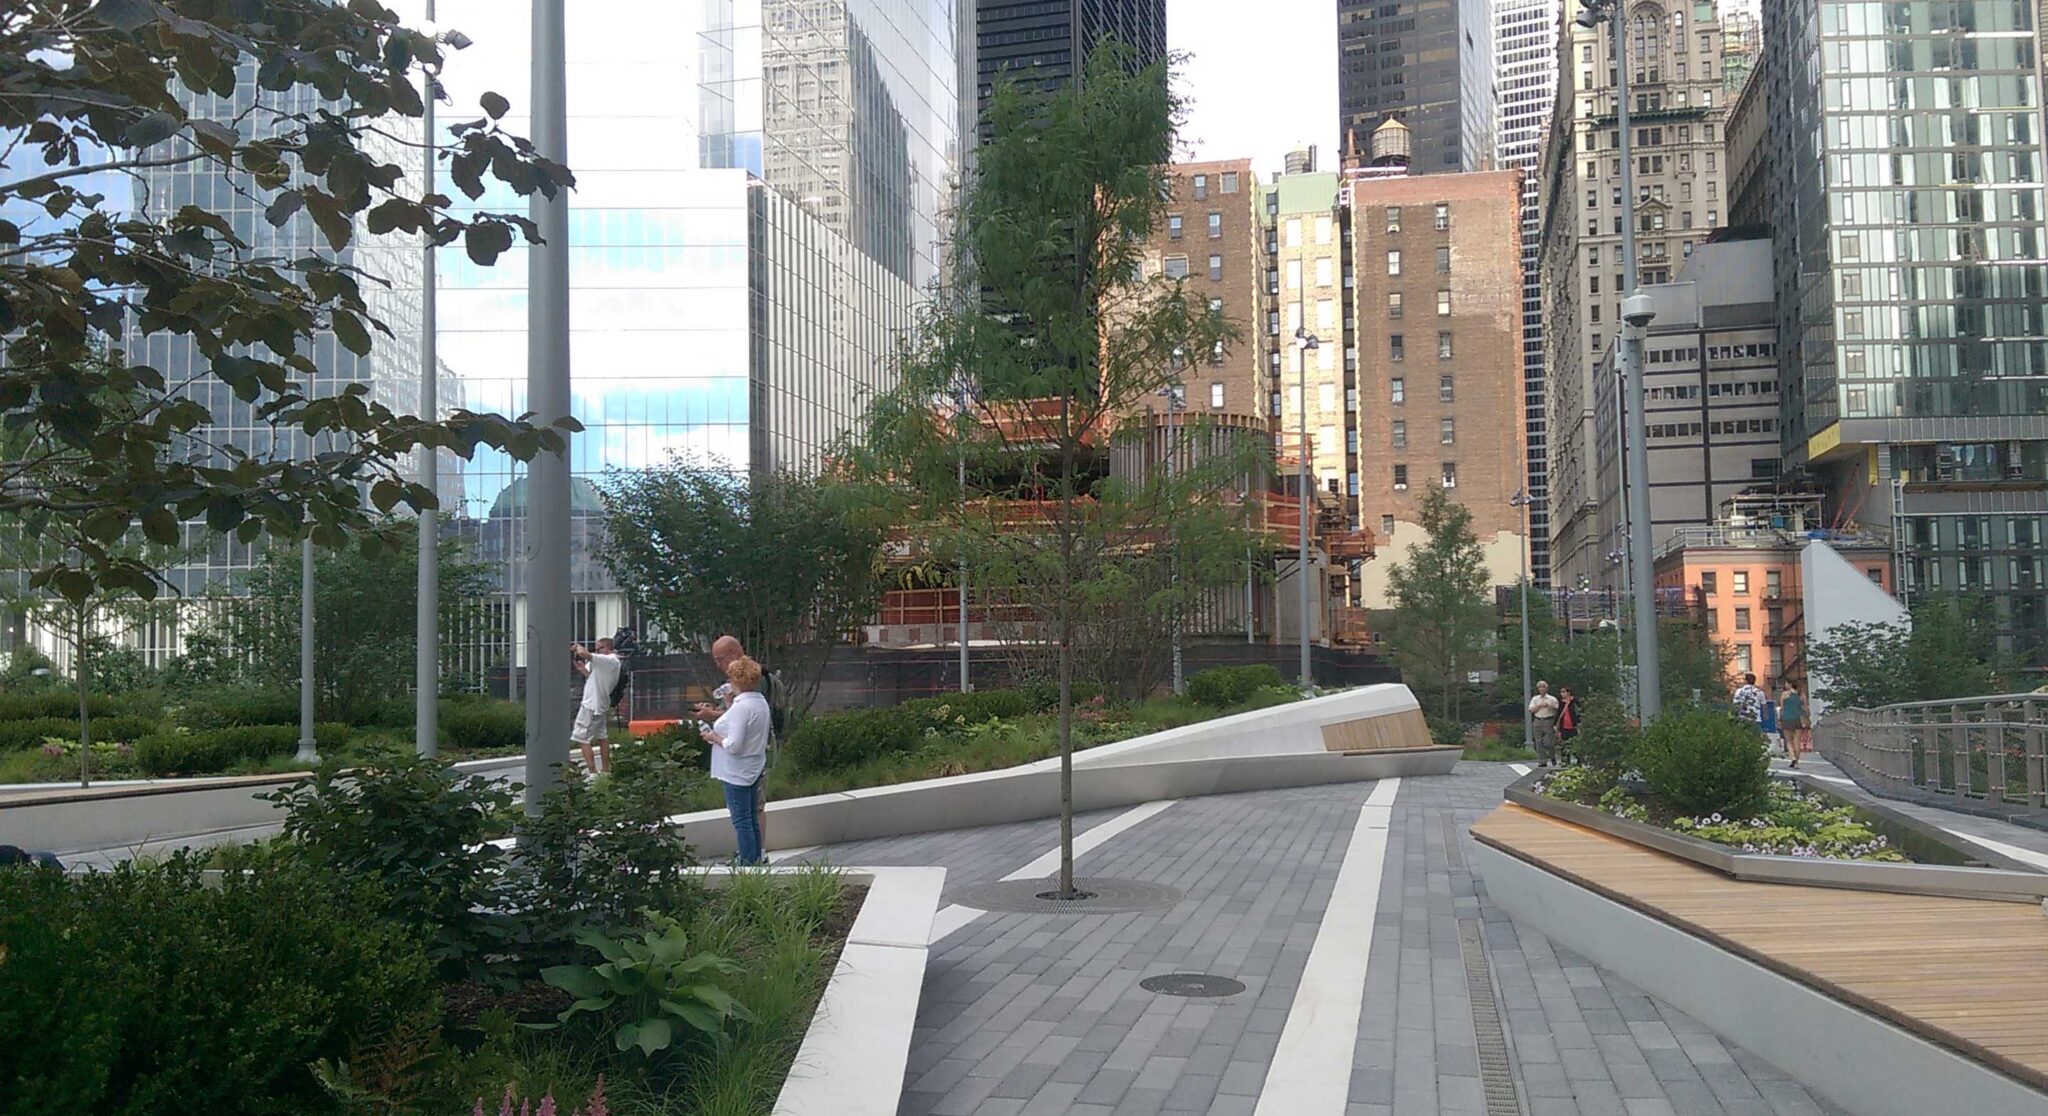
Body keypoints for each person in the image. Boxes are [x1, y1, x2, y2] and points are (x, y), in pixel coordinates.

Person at [702, 655, 771, 865]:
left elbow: (734, 745)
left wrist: (713, 737)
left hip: (736, 771)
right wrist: (729, 703)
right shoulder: (759, 702)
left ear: (735, 680)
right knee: (751, 818)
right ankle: (755, 859)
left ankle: (747, 863)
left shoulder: (742, 707)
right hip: (753, 767)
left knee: (741, 821)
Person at [571, 638, 622, 774]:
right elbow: (594, 678)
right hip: (600, 704)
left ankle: (592, 772)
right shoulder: (606, 664)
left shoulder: (609, 660)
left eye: (599, 649)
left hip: (591, 705)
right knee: (602, 737)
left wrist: (577, 647)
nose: (597, 652)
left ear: (607, 648)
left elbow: (583, 653)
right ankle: (606, 770)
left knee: (582, 738)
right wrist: (583, 670)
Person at [1528, 680, 1561, 766]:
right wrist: (1539, 706)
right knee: (1538, 741)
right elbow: (1531, 710)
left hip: (1548, 720)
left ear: (1547, 688)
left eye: (1543, 687)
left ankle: (1552, 756)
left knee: (1548, 742)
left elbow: (1557, 708)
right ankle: (1542, 761)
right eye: (1540, 687)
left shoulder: (1552, 699)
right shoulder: (1535, 699)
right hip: (1538, 720)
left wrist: (1549, 706)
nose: (1542, 689)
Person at [1779, 685, 1808, 768]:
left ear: (1789, 684)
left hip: (1787, 719)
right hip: (1798, 719)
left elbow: (1782, 708)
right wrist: (1806, 718)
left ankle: (1793, 757)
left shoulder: (1784, 694)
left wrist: (1780, 719)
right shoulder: (1801, 694)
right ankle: (1797, 763)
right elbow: (1805, 708)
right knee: (1797, 741)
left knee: (1788, 740)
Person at [1556, 686, 1583, 762]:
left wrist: (1578, 722)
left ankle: (1579, 759)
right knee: (1564, 744)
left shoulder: (1574, 702)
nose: (1562, 694)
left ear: (1568, 693)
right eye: (1561, 692)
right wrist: (1556, 725)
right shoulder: (1561, 703)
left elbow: (1579, 711)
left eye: (1564, 692)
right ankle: (1565, 760)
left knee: (1574, 744)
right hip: (1564, 726)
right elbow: (1558, 714)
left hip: (1573, 726)